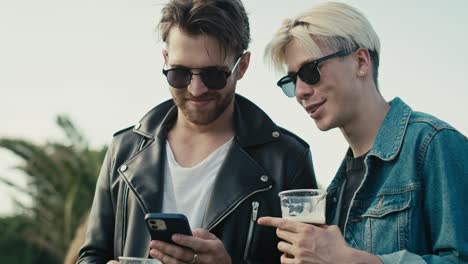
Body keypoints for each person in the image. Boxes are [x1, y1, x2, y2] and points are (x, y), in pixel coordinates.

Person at [77, 0, 317, 263]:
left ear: (243, 66)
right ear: (166, 60)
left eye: (213, 75)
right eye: (179, 74)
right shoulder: (123, 151)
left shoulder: (287, 159)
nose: (196, 89)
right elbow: (92, 255)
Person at [258, 2, 468, 263]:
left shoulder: (433, 143)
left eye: (310, 71)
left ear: (360, 62)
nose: (301, 92)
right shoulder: (337, 189)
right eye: (291, 81)